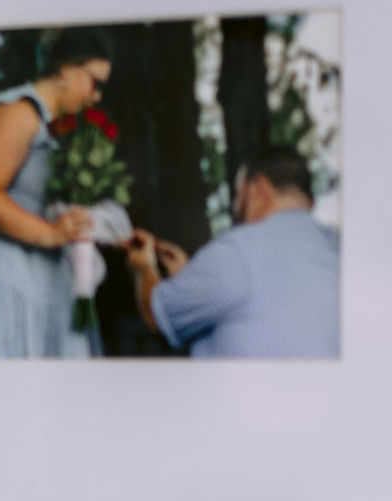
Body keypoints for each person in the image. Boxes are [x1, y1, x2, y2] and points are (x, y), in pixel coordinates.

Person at [0, 29, 114, 359]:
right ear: (66, 71)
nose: (96, 97)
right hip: (6, 279)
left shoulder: (55, 127)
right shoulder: (18, 111)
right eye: (95, 83)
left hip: (42, 283)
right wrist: (50, 234)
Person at [127, 149, 339, 358]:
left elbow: (158, 315)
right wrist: (189, 278)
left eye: (238, 194)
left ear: (259, 187)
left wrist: (144, 268)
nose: (235, 206)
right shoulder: (337, 252)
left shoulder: (241, 249)